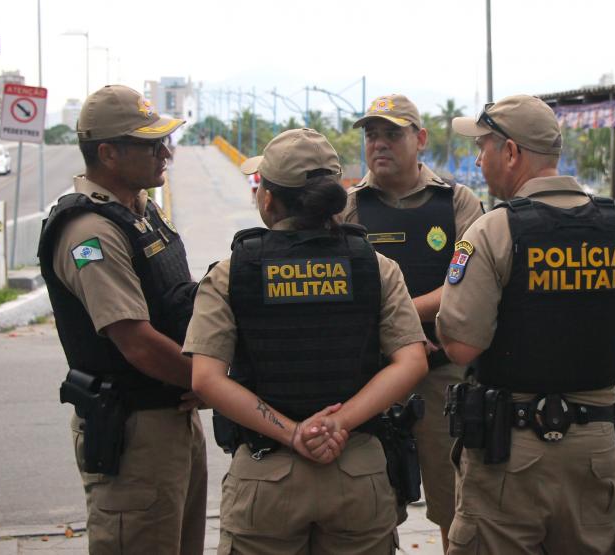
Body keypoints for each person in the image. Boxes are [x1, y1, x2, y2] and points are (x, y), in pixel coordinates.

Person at [436, 95, 615, 554]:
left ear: (512, 153)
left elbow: (461, 347)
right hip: (595, 449)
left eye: (483, 146)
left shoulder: (493, 230)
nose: (478, 159)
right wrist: (587, 385)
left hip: (511, 454)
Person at [184, 128, 429, 554]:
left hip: (266, 477)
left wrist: (295, 432)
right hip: (358, 473)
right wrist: (340, 422)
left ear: (267, 199)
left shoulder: (231, 272)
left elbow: (205, 379)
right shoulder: (377, 267)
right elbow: (411, 362)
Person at [37, 84, 207, 554]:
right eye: (151, 145)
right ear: (109, 153)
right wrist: (214, 382)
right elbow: (136, 342)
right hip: (136, 433)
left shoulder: (139, 211)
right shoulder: (89, 231)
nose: (166, 154)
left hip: (172, 418)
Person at [341, 94, 483, 548]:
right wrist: (401, 342)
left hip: (445, 379)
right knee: (367, 509)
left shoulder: (457, 202)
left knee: (456, 506)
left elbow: (467, 288)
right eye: (371, 135)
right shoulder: (348, 208)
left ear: (419, 139)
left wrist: (397, 323)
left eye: (392, 134)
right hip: (371, 382)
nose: (378, 144)